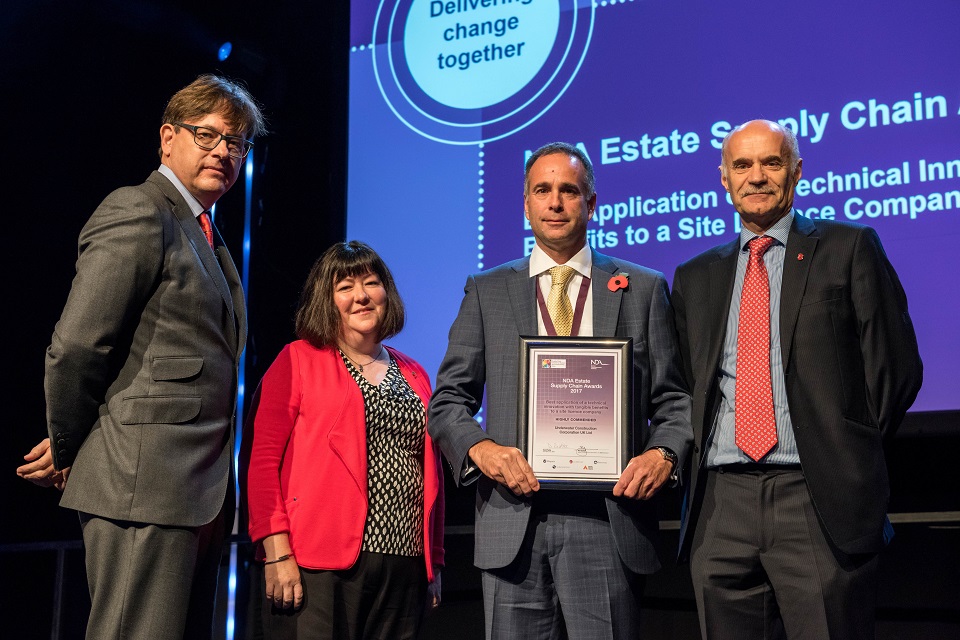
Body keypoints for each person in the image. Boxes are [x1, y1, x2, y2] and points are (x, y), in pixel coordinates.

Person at [16, 74, 266, 639]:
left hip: (192, 491)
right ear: (167, 138)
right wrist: (68, 443)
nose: (224, 151)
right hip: (141, 481)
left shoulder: (207, 235)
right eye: (208, 135)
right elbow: (77, 344)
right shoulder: (138, 209)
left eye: (237, 143)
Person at [428, 142, 692, 639]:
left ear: (591, 204)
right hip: (513, 522)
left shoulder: (643, 286)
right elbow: (448, 402)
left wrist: (664, 454)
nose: (555, 202)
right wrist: (481, 449)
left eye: (569, 191)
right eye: (542, 191)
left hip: (608, 522)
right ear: (525, 203)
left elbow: (674, 400)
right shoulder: (487, 290)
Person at [671, 119, 923, 639]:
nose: (757, 176)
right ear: (723, 178)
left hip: (815, 497)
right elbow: (684, 386)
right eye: (742, 165)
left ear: (797, 171)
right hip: (721, 505)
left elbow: (895, 370)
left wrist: (842, 450)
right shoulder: (696, 276)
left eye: (772, 162)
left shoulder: (848, 247)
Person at [244, 241, 444, 640]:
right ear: (327, 299)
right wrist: (276, 552)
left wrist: (433, 562)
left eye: (371, 283)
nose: (361, 296)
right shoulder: (297, 359)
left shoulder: (415, 372)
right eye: (345, 287)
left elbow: (430, 468)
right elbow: (262, 461)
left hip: (403, 564)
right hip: (316, 565)